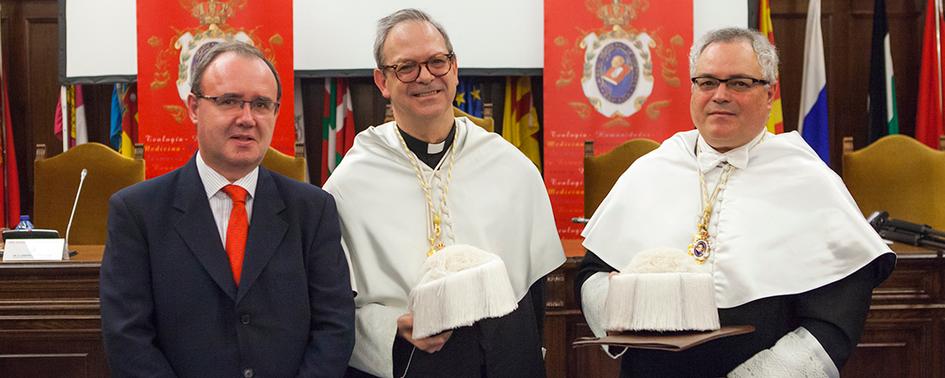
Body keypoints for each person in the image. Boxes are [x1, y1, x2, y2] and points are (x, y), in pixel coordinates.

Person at [576, 27, 896, 377]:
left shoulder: (810, 181)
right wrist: (625, 318)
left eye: (739, 83)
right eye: (707, 82)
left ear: (770, 93)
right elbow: (594, 271)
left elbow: (834, 318)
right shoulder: (650, 170)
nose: (720, 95)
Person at [324, 8, 565, 378]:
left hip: (500, 355)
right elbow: (332, 304)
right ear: (382, 81)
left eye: (437, 62)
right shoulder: (351, 180)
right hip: (412, 360)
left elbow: (531, 293)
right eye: (406, 67)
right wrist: (392, 328)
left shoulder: (509, 166)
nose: (425, 77)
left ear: (454, 69)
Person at [100, 41, 355, 377]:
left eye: (262, 104)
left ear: (277, 112)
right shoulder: (137, 212)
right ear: (193, 107)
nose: (247, 118)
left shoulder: (313, 209)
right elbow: (128, 338)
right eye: (229, 101)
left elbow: (335, 327)